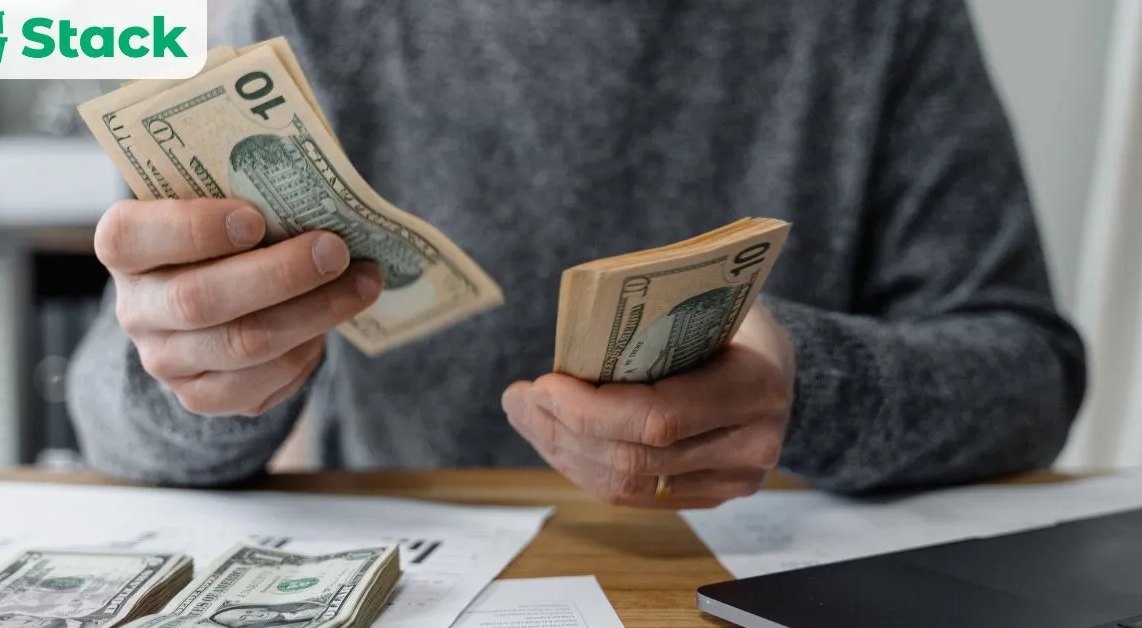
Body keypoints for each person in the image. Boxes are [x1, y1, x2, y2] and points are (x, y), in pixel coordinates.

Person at [67, 0, 1087, 508]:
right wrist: (196, 376)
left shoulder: (880, 15)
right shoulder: (300, 9)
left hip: (772, 580)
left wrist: (808, 392)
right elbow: (114, 404)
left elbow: (1031, 372)